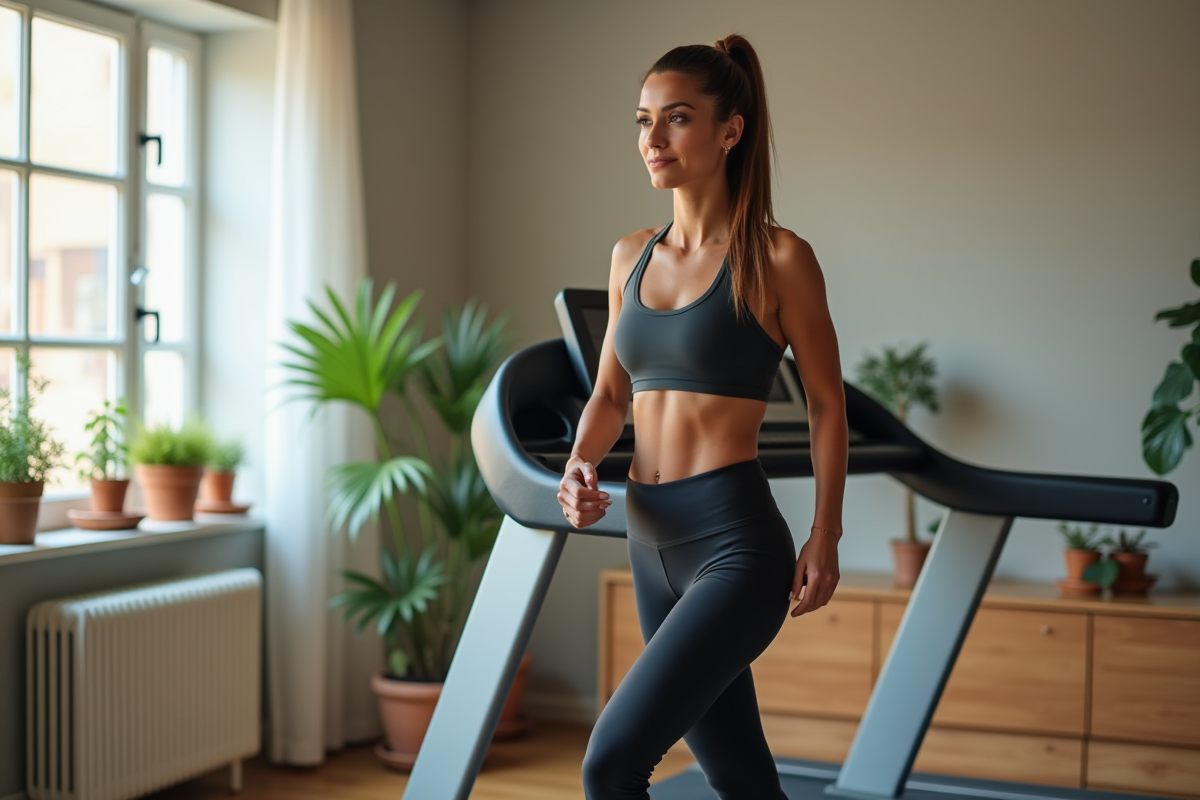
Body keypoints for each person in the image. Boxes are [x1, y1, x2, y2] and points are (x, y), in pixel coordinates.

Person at [556, 34, 849, 800]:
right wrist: (579, 466)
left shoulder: (780, 258)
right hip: (647, 538)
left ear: (730, 129)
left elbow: (826, 404)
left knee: (611, 766)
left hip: (734, 546)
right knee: (741, 778)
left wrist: (827, 532)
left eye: (676, 118)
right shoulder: (631, 256)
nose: (652, 139)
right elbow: (610, 397)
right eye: (643, 120)